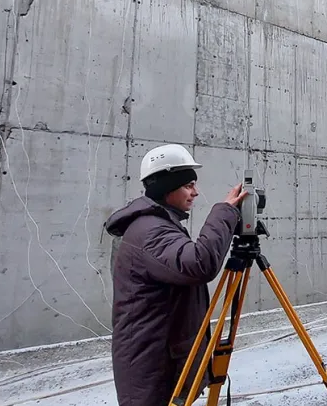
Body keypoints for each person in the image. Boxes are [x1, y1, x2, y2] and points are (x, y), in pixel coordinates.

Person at [103, 143, 248, 406]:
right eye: (188, 185)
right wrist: (224, 212)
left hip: (157, 356)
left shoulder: (154, 225)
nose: (195, 192)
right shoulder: (151, 231)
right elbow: (199, 264)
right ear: (167, 187)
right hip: (152, 364)